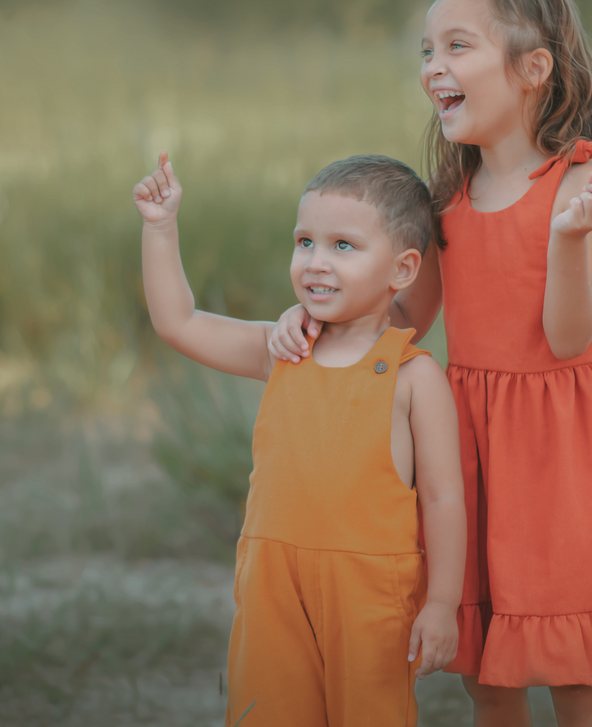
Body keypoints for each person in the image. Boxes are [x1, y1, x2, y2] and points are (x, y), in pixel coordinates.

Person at [268, 0, 592, 727]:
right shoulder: (450, 198)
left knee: (574, 670)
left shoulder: (583, 187)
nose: (433, 67)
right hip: (473, 447)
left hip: (564, 454)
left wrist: (567, 241)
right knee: (488, 673)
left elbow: (569, 340)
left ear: (534, 69)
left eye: (457, 46)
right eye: (426, 51)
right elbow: (404, 317)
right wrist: (317, 315)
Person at [134, 151, 467, 726]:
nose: (315, 261)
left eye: (343, 246)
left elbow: (443, 499)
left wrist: (441, 605)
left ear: (403, 269)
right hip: (272, 584)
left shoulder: (414, 376)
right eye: (304, 242)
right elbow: (178, 323)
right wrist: (160, 227)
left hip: (368, 594)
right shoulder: (283, 348)